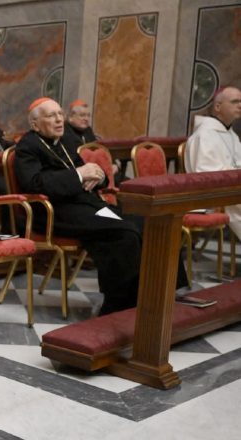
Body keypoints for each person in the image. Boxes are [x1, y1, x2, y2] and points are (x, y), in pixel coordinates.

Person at [14, 97, 185, 315]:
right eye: (50, 116)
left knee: (153, 223)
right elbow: (34, 183)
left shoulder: (66, 141)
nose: (59, 120)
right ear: (35, 124)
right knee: (123, 233)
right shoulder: (27, 147)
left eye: (60, 114)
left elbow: (92, 176)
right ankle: (119, 304)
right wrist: (79, 174)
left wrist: (98, 174)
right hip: (57, 213)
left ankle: (163, 292)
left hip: (88, 206)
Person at [185, 86, 241, 239]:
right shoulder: (204, 135)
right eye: (235, 101)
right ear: (218, 107)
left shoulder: (231, 135)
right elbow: (207, 176)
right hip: (215, 195)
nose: (240, 105)